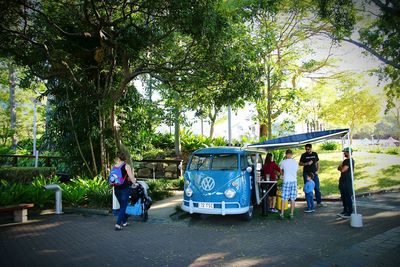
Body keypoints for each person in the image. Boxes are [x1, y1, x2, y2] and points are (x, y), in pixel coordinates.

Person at [113, 151, 136, 230]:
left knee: (122, 206)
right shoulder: (126, 166)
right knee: (123, 207)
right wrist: (135, 182)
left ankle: (125, 222)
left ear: (118, 158)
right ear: (125, 158)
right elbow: (131, 177)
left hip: (116, 189)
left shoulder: (115, 166)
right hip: (124, 189)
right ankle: (118, 224)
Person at [279, 149, 299, 219]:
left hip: (286, 181)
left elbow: (280, 170)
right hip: (293, 181)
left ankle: (281, 214)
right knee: (293, 198)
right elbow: (296, 170)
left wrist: (283, 174)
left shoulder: (283, 162)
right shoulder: (295, 162)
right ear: (291, 154)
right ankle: (291, 214)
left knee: (284, 198)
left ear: (286, 154)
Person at [337, 147, 355, 219]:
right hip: (343, 181)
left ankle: (349, 212)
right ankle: (345, 210)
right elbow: (340, 168)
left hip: (346, 182)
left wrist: (340, 167)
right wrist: (340, 167)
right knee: (343, 197)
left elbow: (342, 170)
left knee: (347, 197)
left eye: (345, 152)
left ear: (348, 152)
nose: (344, 153)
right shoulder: (346, 160)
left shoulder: (348, 161)